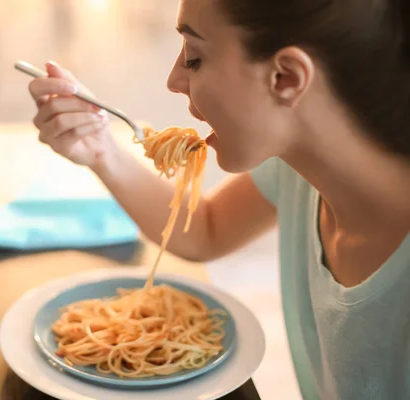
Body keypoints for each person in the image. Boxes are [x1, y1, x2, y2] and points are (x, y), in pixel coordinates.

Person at [26, 0, 410, 398]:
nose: (174, 80)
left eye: (194, 58)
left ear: (286, 77)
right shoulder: (299, 172)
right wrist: (101, 150)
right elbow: (205, 230)